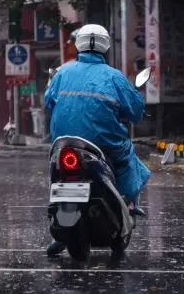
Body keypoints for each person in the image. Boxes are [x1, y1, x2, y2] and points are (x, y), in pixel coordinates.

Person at [44, 24, 151, 256]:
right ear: (105, 46)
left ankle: (59, 234)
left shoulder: (63, 72)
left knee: (56, 171)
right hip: (104, 144)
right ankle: (129, 205)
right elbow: (135, 111)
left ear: (79, 44)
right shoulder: (114, 77)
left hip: (63, 142)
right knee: (128, 158)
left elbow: (49, 102)